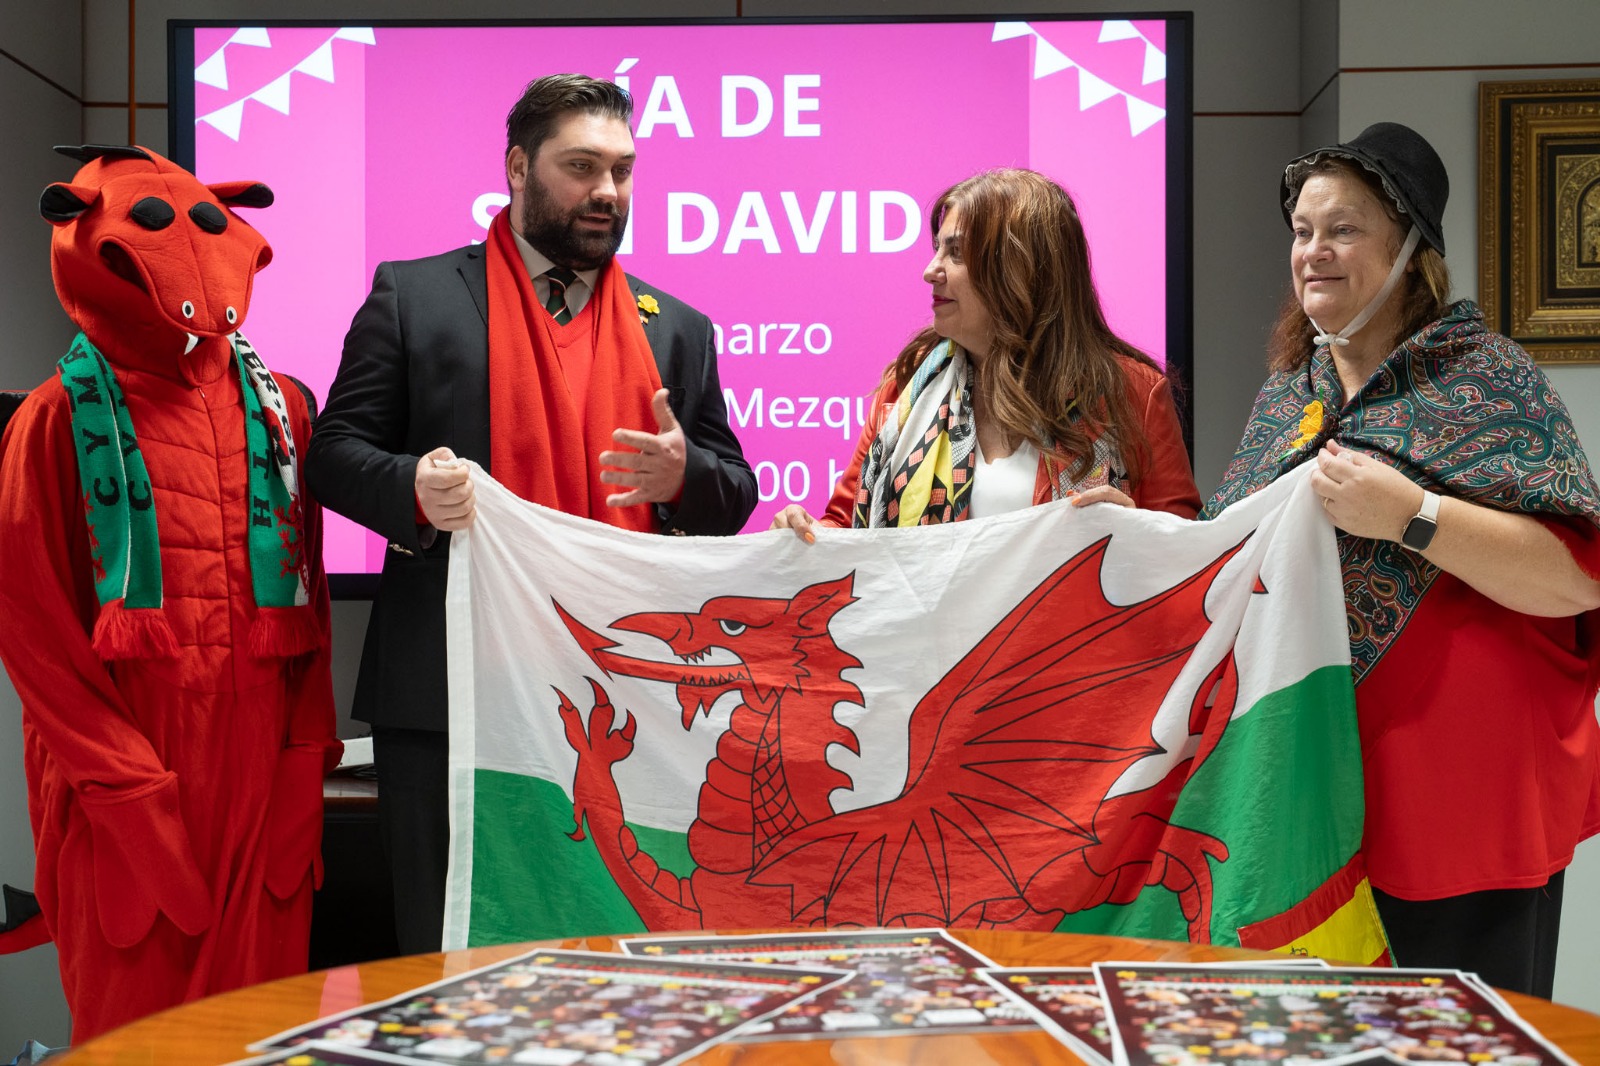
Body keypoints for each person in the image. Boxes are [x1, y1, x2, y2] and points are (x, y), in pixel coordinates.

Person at [305, 74, 757, 953]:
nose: (607, 192)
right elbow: (334, 453)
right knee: (442, 949)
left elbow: (732, 491)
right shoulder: (415, 296)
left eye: (622, 170)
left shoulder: (678, 327)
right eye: (581, 166)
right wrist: (410, 488)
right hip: (449, 696)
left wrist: (684, 477)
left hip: (623, 708)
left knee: (615, 950)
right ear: (518, 167)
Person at [1204, 122, 1600, 996]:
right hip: (1315, 797)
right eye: (1302, 232)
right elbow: (1226, 557)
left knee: (1471, 1043)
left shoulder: (1489, 380)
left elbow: (1572, 577)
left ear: (1412, 250)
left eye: (1342, 230)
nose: (1313, 253)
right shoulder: (1287, 397)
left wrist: (1414, 516)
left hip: (1465, 810)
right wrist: (1125, 533)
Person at [0, 145, 339, 1040]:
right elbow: (34, 635)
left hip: (263, 777)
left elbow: (311, 614)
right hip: (130, 779)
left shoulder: (283, 412)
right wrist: (128, 799)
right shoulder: (54, 418)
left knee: (264, 1031)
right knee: (135, 1029)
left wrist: (306, 759)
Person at [773, 167, 1198, 538]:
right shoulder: (905, 390)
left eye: (955, 253)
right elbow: (844, 531)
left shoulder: (1133, 393)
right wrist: (802, 532)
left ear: (1019, 268)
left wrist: (1141, 532)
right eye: (937, 248)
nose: (930, 270)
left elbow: (1188, 563)